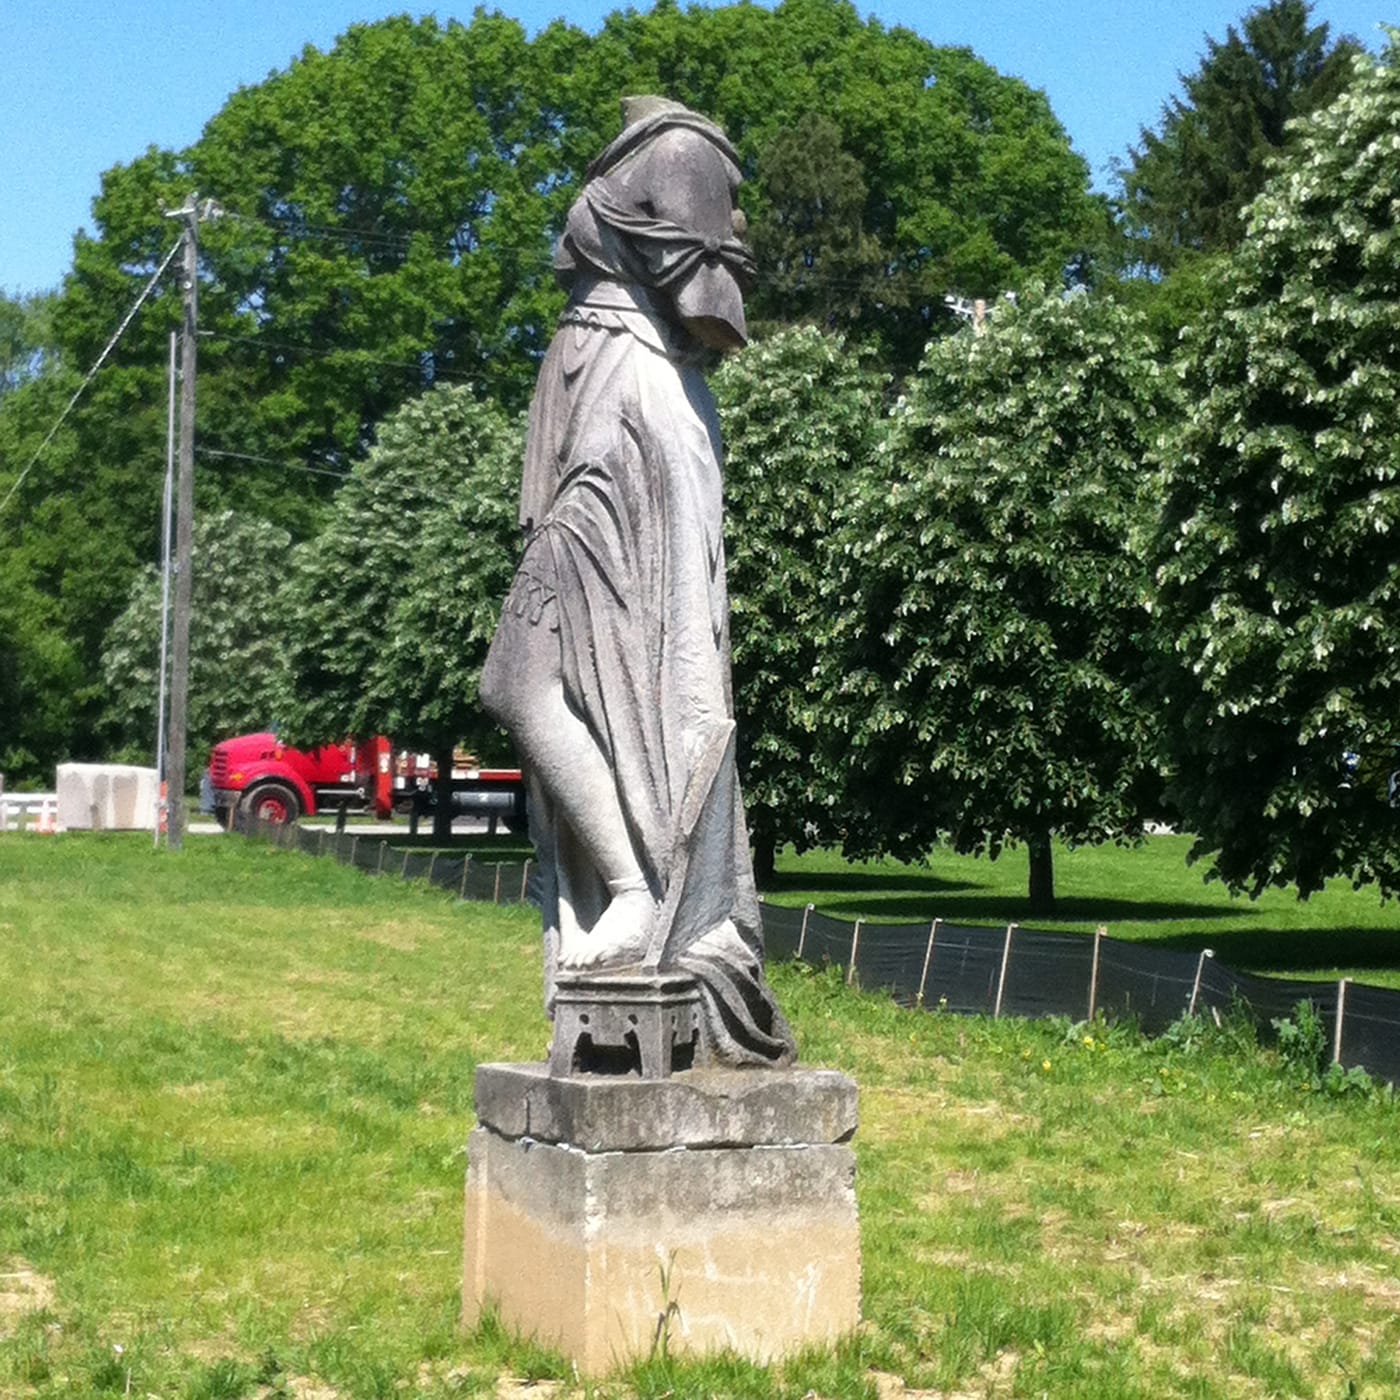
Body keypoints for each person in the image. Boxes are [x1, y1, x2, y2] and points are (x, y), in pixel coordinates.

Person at [480, 96, 794, 1068]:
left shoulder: (686, 147)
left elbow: (709, 286)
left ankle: (638, 890)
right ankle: (629, 888)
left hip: (627, 417)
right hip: (597, 388)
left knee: (518, 680)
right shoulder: (644, 148)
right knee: (533, 682)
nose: (737, 214)